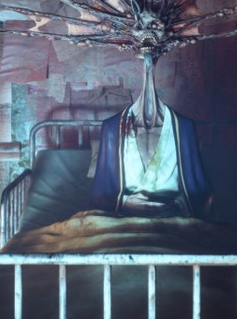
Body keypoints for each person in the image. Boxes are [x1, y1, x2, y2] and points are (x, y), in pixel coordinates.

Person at [89, 52, 212, 218]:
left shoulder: (184, 129)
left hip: (172, 216)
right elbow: (102, 192)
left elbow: (199, 191)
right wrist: (125, 202)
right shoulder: (112, 129)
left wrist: (176, 204)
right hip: (125, 216)